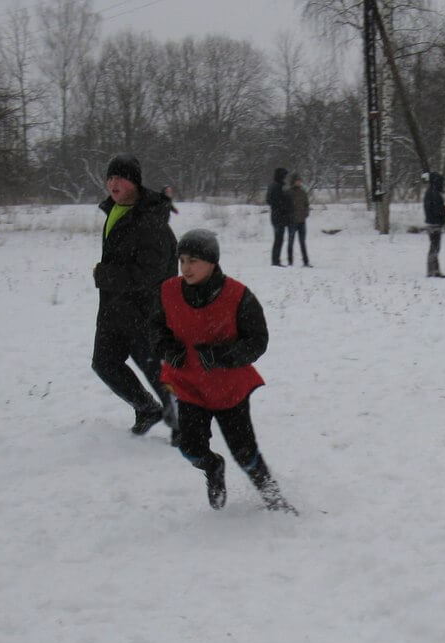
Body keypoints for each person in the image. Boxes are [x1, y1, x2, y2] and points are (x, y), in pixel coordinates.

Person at [152, 228, 294, 513]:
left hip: (229, 390)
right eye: (182, 260)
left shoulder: (238, 295)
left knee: (245, 453)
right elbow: (155, 330)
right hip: (189, 386)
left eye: (193, 261)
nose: (186, 268)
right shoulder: (168, 291)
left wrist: (222, 355)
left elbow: (258, 340)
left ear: (212, 262)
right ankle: (213, 467)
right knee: (190, 449)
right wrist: (168, 348)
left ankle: (274, 500)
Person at [91, 153, 177, 436]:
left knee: (155, 370)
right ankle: (146, 408)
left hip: (143, 309)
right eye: (110, 177)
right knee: (104, 364)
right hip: (114, 308)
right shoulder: (116, 210)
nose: (113, 183)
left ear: (135, 183)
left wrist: (106, 276)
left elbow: (149, 273)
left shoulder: (150, 220)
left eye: (121, 178)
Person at [422, 171, 445, 277]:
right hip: (434, 223)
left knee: (434, 247)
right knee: (435, 247)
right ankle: (433, 271)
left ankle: (434, 270)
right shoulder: (434, 193)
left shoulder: (430, 192)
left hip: (432, 222)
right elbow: (437, 209)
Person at [285, 173, 311, 267]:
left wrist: (306, 213)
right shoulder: (288, 193)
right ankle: (290, 262)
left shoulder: (303, 192)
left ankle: (306, 261)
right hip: (292, 221)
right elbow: (285, 207)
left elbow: (306, 204)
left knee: (302, 242)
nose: (299, 182)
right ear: (293, 181)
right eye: (297, 181)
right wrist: (289, 216)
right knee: (291, 242)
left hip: (302, 221)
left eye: (300, 181)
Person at [267, 167, 288, 266]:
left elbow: (269, 200)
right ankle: (276, 260)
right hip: (279, 216)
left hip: (275, 216)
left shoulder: (272, 185)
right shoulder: (278, 186)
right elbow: (278, 201)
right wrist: (283, 206)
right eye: (284, 175)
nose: (285, 177)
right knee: (278, 239)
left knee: (278, 239)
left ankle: (275, 260)